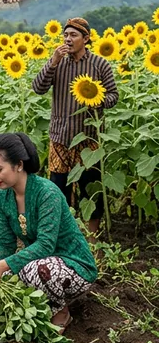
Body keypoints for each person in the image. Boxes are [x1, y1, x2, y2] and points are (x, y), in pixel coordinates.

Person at [0, 132, 97, 333]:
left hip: (74, 266)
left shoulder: (47, 193)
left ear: (18, 164)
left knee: (32, 270)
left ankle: (61, 313)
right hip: (42, 262)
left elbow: (45, 245)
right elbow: (5, 245)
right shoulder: (4, 198)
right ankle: (40, 309)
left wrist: (1, 266)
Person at [32, 17, 119, 235]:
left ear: (86, 39)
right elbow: (38, 88)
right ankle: (63, 235)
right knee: (58, 188)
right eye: (66, 35)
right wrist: (52, 61)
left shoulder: (99, 64)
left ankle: (91, 238)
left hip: (88, 138)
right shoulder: (58, 63)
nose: (68, 39)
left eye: (74, 35)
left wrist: (97, 100)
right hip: (60, 136)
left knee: (89, 190)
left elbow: (113, 95)